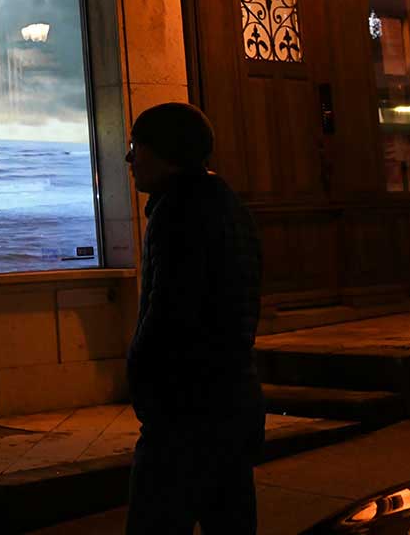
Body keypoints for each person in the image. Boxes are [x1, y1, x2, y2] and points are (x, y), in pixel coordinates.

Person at [123, 102, 264, 535]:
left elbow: (168, 312)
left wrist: (144, 382)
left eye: (136, 147)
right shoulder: (223, 203)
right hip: (230, 401)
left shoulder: (178, 213)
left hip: (186, 412)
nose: (129, 159)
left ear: (165, 151)